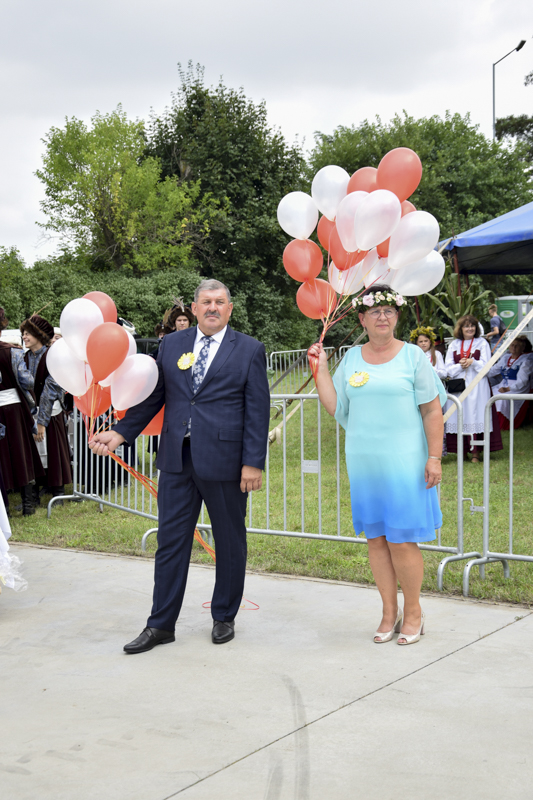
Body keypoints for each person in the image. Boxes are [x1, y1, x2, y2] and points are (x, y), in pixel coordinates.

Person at [90, 279, 271, 653]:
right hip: (176, 461)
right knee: (170, 543)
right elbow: (155, 396)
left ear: (230, 308)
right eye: (206, 302)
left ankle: (224, 616)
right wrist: (120, 433)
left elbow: (257, 411)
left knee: (230, 542)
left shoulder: (250, 350)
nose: (213, 308)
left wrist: (253, 463)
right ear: (194, 306)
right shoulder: (171, 345)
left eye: (220, 302)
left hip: (225, 462)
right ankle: (160, 625)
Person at [309, 286, 446, 646]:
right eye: (374, 311)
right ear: (361, 319)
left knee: (401, 540)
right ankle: (389, 611)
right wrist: (321, 369)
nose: (382, 316)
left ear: (397, 317)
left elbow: (432, 410)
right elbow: (337, 406)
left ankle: (413, 610)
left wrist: (434, 457)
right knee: (377, 540)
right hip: (365, 463)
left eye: (388, 311)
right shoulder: (352, 358)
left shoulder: (414, 356)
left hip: (405, 463)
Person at [20, 315, 72, 502]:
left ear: (38, 334)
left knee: (53, 450)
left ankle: (57, 490)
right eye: (23, 334)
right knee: (36, 450)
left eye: (28, 333)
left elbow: (50, 392)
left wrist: (41, 422)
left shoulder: (53, 356)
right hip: (31, 412)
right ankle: (39, 488)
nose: (24, 337)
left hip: (51, 411)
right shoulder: (24, 356)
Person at [0, 308, 44, 515]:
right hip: (15, 410)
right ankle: (27, 506)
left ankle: (5, 509)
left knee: (3, 457)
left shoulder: (13, 351)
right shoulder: (13, 352)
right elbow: (28, 381)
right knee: (22, 453)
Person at [445, 314, 502, 462]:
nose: (469, 328)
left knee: (476, 415)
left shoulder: (482, 343)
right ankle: (461, 452)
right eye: (466, 326)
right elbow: (448, 369)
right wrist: (460, 365)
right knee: (460, 416)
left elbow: (487, 367)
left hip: (477, 385)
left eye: (472, 326)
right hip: (459, 386)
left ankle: (476, 453)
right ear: (461, 328)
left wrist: (473, 362)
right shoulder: (454, 344)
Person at [488, 335, 533, 430]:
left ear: (523, 348)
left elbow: (523, 381)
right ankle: (488, 422)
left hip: (518, 388)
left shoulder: (526, 360)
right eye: (512, 345)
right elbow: (492, 371)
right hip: (504, 384)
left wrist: (508, 388)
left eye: (517, 345)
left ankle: (501, 425)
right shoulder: (505, 357)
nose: (514, 347)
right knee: (488, 394)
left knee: (502, 399)